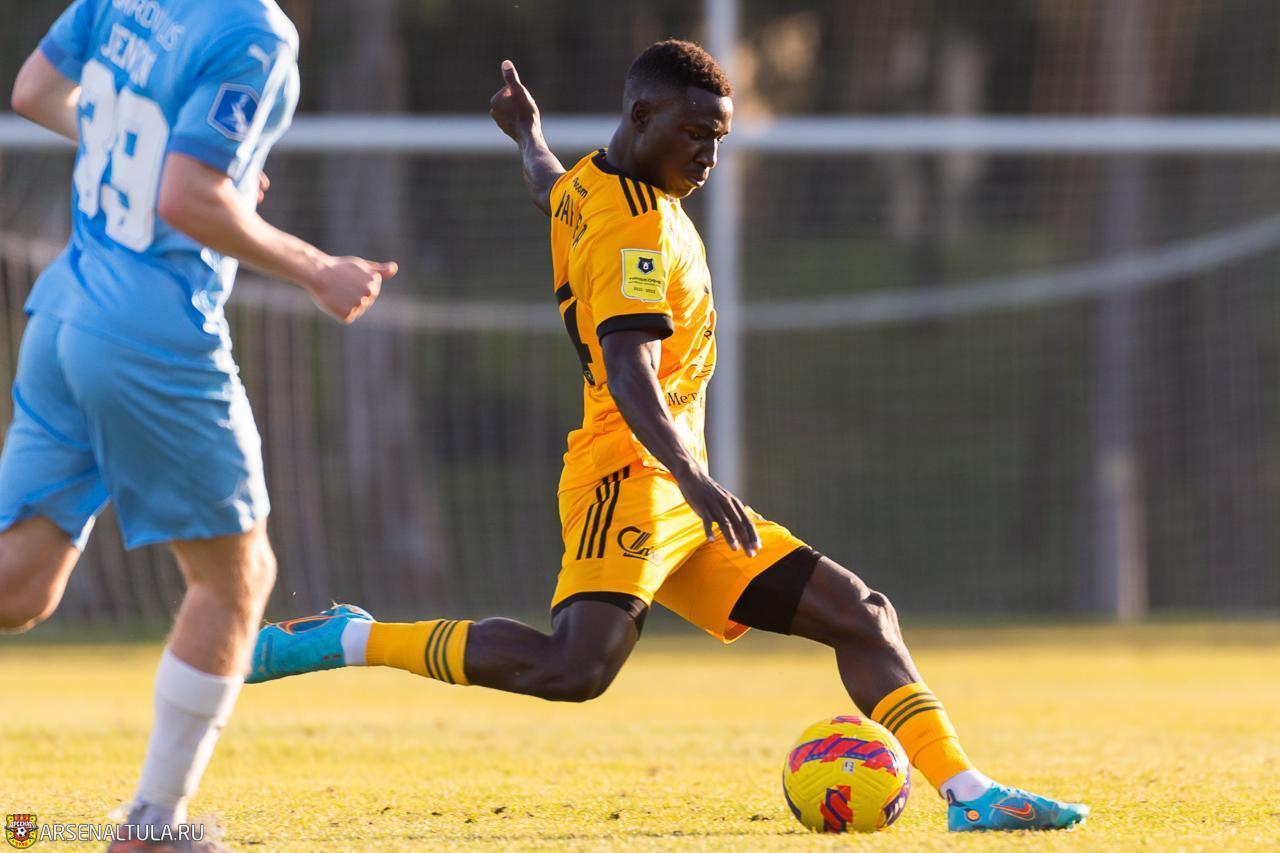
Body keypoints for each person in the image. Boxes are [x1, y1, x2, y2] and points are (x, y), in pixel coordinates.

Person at [249, 40, 1087, 833]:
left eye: (719, 137)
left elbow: (550, 188)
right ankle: (352, 637)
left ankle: (969, 793)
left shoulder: (593, 183)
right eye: (695, 133)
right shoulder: (638, 231)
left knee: (862, 614)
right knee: (574, 668)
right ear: (642, 115)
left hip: (677, 488)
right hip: (629, 474)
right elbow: (629, 370)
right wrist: (692, 476)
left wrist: (528, 136)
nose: (709, 154)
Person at [2, 1, 397, 849]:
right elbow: (188, 198)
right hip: (148, 331)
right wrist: (318, 268)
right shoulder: (254, 32)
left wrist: (157, 168)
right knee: (237, 578)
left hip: (64, 307)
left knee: (19, 585)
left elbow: (34, 90)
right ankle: (153, 828)